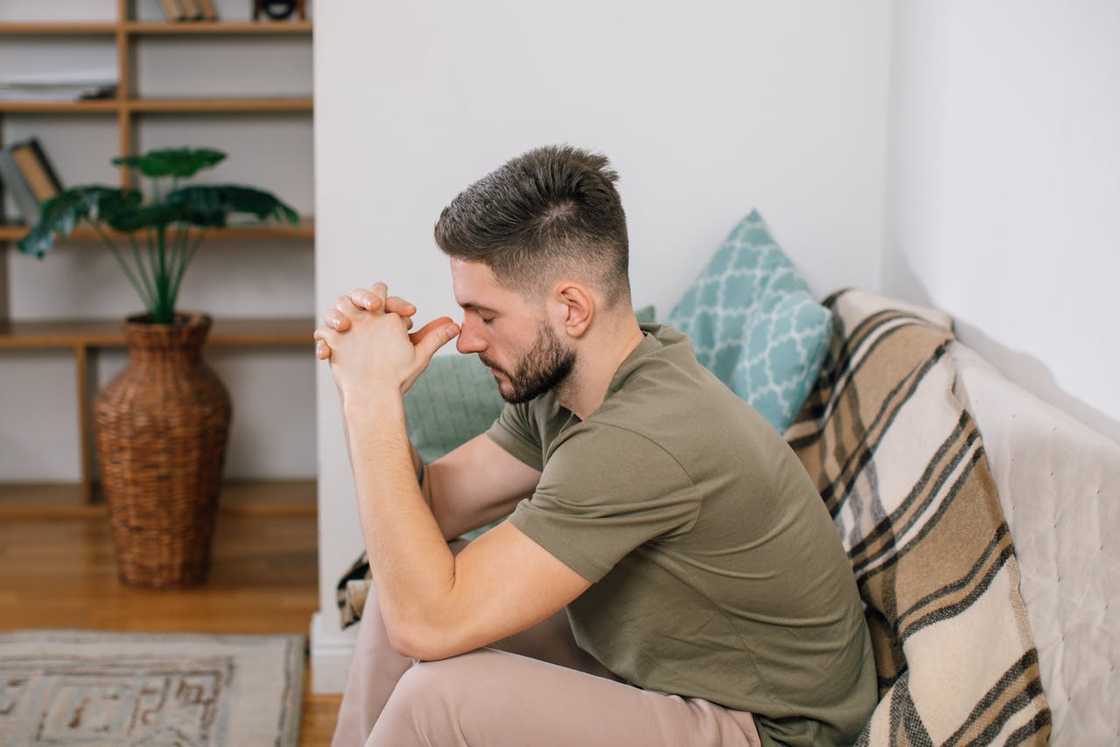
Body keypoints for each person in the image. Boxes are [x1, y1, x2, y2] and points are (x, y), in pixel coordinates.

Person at [313, 145, 877, 747]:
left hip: (768, 728)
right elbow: (428, 509)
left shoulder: (636, 439)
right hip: (659, 671)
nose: (467, 340)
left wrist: (369, 400)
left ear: (572, 308)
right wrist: (369, 392)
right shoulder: (578, 385)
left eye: (486, 316)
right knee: (404, 582)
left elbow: (427, 623)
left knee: (435, 694)